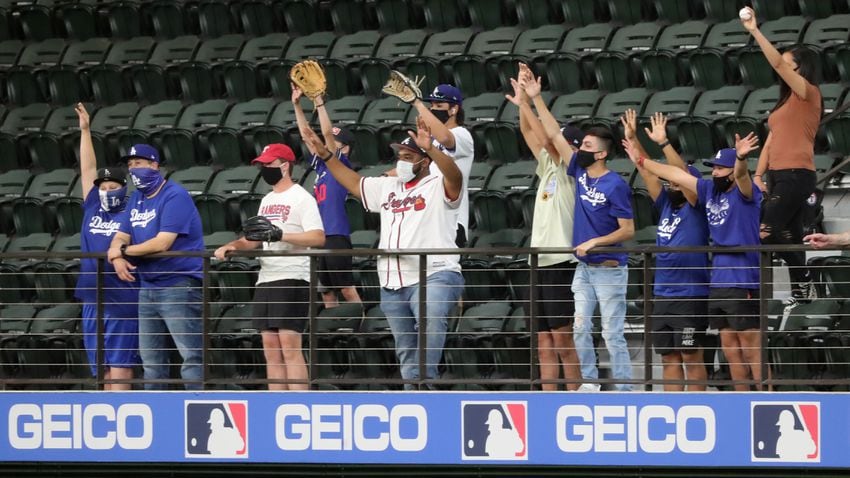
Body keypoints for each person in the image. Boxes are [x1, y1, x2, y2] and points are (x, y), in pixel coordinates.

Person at [301, 117, 464, 390]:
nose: (401, 161)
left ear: (424, 161)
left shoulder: (438, 183)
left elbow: (455, 176)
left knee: (429, 330)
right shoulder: (388, 187)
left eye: (408, 156)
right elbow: (352, 182)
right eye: (399, 155)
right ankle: (417, 395)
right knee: (405, 348)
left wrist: (433, 149)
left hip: (434, 273)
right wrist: (327, 155)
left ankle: (425, 387)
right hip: (392, 280)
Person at [522, 74, 635, 391]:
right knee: (580, 329)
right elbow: (554, 137)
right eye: (581, 145)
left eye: (587, 146)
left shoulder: (615, 184)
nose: (580, 149)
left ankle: (625, 390)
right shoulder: (579, 172)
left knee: (612, 333)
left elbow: (628, 230)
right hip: (584, 267)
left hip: (610, 267)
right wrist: (535, 98)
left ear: (600, 153)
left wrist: (596, 241)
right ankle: (589, 384)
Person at [630, 134, 766, 391]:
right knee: (731, 349)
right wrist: (640, 159)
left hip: (743, 277)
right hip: (718, 281)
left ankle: (768, 400)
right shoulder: (709, 192)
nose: (714, 172)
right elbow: (677, 174)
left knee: (751, 348)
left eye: (719, 167)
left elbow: (742, 176)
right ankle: (743, 400)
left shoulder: (746, 192)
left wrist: (740, 158)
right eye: (712, 168)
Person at [214, 144, 325, 391]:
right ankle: (277, 406)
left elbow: (317, 237)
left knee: (289, 344)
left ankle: (298, 406)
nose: (264, 169)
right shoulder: (267, 199)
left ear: (285, 166)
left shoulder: (302, 198)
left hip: (293, 275)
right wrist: (233, 245)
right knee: (271, 347)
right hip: (267, 276)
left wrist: (281, 234)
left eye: (269, 164)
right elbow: (255, 238)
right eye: (262, 165)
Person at [505, 64, 581, 391]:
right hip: (538, 261)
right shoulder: (549, 166)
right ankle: (548, 404)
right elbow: (527, 133)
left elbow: (549, 137)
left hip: (562, 261)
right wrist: (522, 101)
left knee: (563, 341)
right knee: (543, 341)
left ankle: (576, 400)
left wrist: (532, 101)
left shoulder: (574, 168)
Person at [622, 110, 710, 391]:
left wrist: (663, 144)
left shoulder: (698, 208)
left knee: (691, 356)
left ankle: (697, 409)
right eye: (670, 181)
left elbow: (681, 174)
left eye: (677, 182)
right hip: (663, 296)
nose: (672, 184)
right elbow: (648, 173)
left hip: (690, 295)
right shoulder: (665, 206)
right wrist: (634, 140)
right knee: (669, 358)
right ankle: (674, 409)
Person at [107, 144, 205, 390]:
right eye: (130, 165)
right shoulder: (137, 198)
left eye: (138, 163)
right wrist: (117, 255)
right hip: (147, 285)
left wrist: (122, 251)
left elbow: (163, 242)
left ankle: (198, 407)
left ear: (154, 165)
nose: (133, 169)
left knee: (191, 356)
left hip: (178, 283)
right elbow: (121, 235)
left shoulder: (174, 195)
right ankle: (158, 414)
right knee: (151, 361)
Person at [742, 6, 823, 304]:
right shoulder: (784, 103)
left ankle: (800, 282)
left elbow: (777, 64)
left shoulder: (809, 93)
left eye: (790, 65)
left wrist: (755, 31)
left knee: (765, 230)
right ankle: (803, 292)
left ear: (800, 68)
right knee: (787, 236)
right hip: (777, 174)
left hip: (797, 173)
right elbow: (770, 141)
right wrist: (760, 174)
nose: (784, 68)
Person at [73, 103, 139, 390]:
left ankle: (122, 420)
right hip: (91, 297)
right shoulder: (91, 206)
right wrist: (85, 131)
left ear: (124, 188)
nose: (107, 191)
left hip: (122, 299)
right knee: (101, 373)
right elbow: (87, 168)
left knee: (121, 368)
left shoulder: (134, 210)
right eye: (103, 187)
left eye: (113, 187)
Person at [291, 86, 361, 309]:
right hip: (319, 235)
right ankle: (337, 333)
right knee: (327, 293)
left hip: (336, 234)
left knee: (346, 289)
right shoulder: (321, 166)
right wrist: (297, 105)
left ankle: (362, 330)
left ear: (346, 149)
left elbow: (328, 135)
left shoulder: (341, 164)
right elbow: (306, 135)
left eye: (336, 144)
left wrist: (319, 104)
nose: (325, 143)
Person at [411, 83, 474, 246]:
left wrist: (418, 104)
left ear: (454, 109)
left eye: (439, 105)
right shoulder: (430, 140)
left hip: (452, 220)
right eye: (431, 105)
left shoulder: (462, 134)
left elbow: (446, 139)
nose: (433, 109)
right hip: (430, 218)